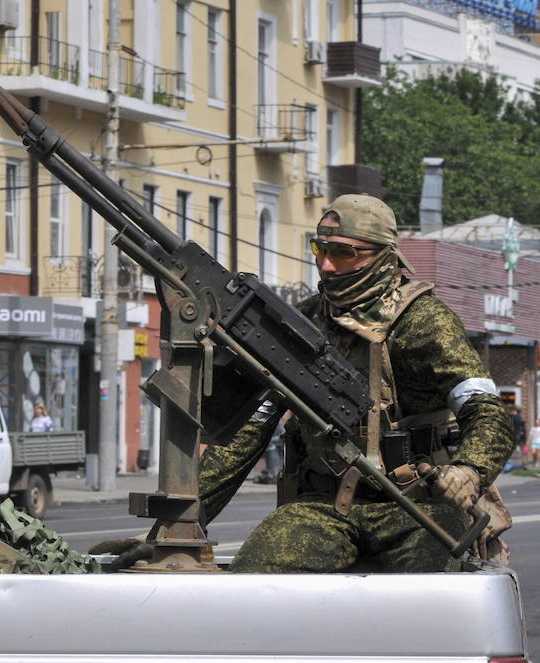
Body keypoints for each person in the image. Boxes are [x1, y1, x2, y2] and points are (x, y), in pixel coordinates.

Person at [99, 195, 514, 572]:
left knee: (429, 599)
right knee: (256, 574)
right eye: (320, 249)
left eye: (343, 253)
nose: (327, 265)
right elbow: (249, 430)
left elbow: (487, 410)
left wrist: (469, 471)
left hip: (418, 507)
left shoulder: (423, 322)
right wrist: (178, 527)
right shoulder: (303, 322)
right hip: (325, 505)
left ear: (385, 257)